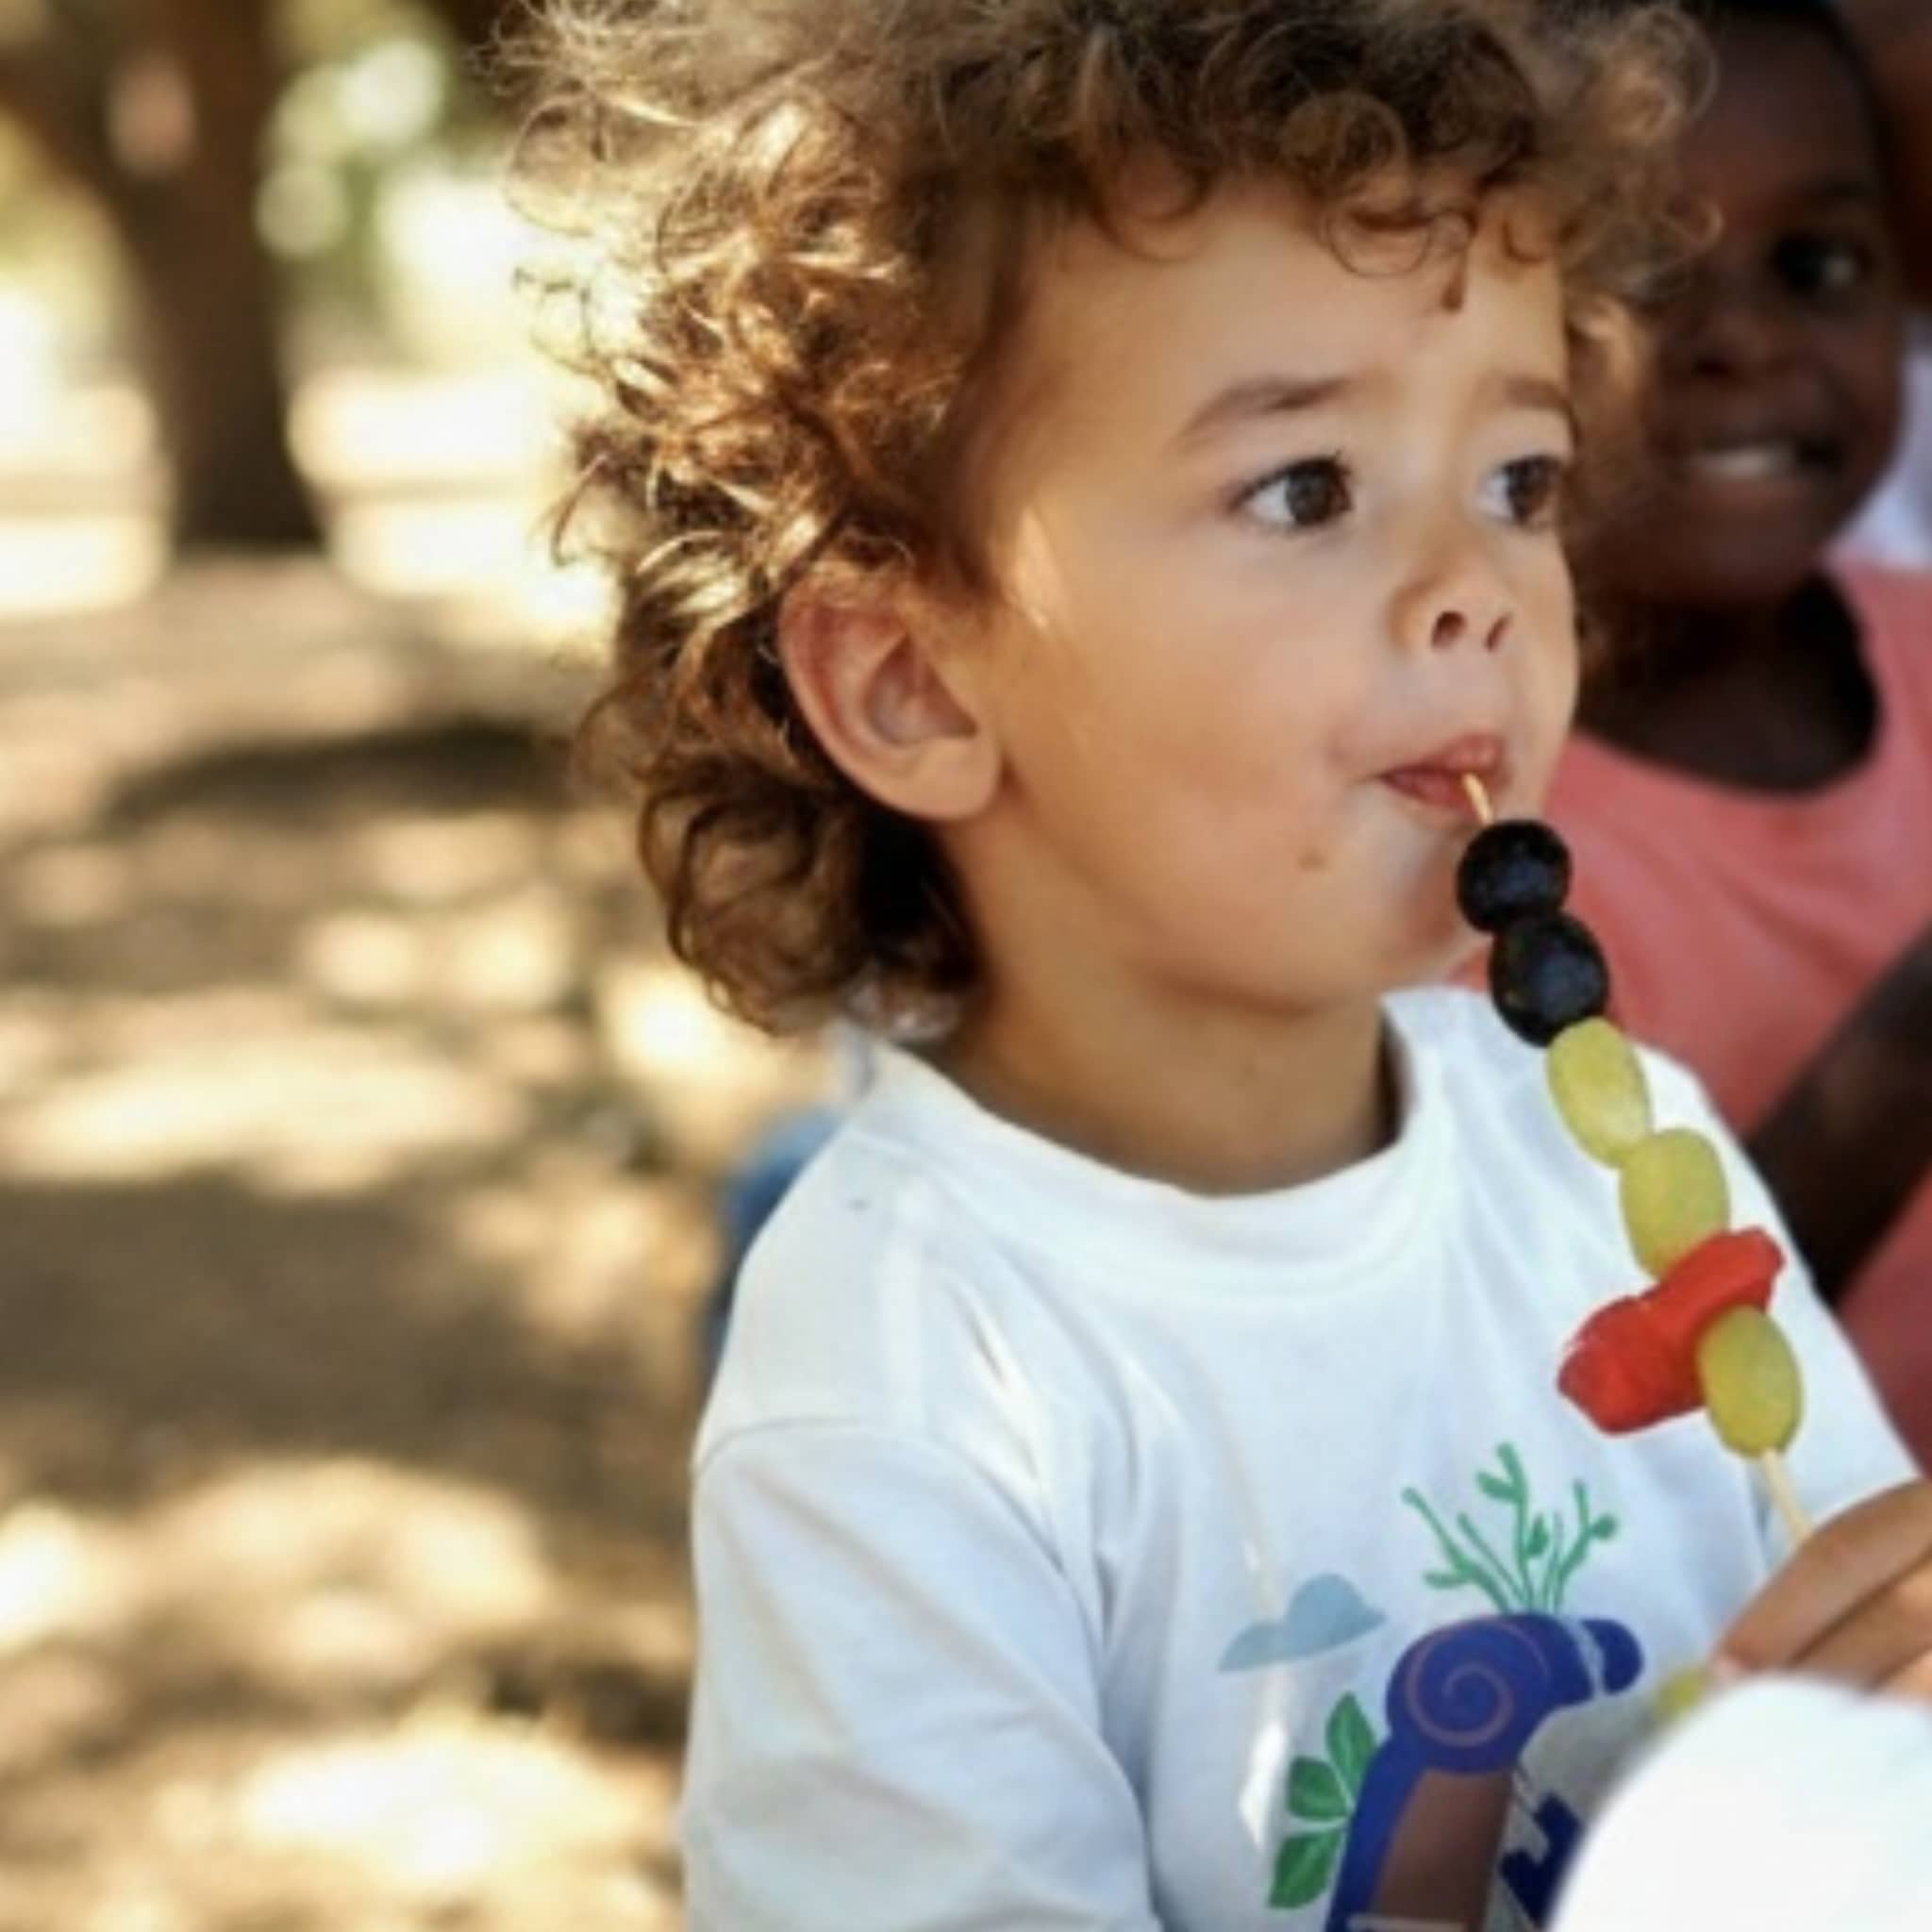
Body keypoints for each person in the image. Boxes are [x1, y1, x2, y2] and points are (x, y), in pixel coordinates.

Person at [518, 0, 1923, 1924]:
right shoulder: (917, 1369)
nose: (1482, 586)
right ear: (916, 679)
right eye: (1306, 490)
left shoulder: (1619, 1157)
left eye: (1517, 478)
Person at [1548, 0, 1932, 1463]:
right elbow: (1608, 1403)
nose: (1748, 343)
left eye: (1818, 265)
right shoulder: (1481, 842)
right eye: (1646, 275)